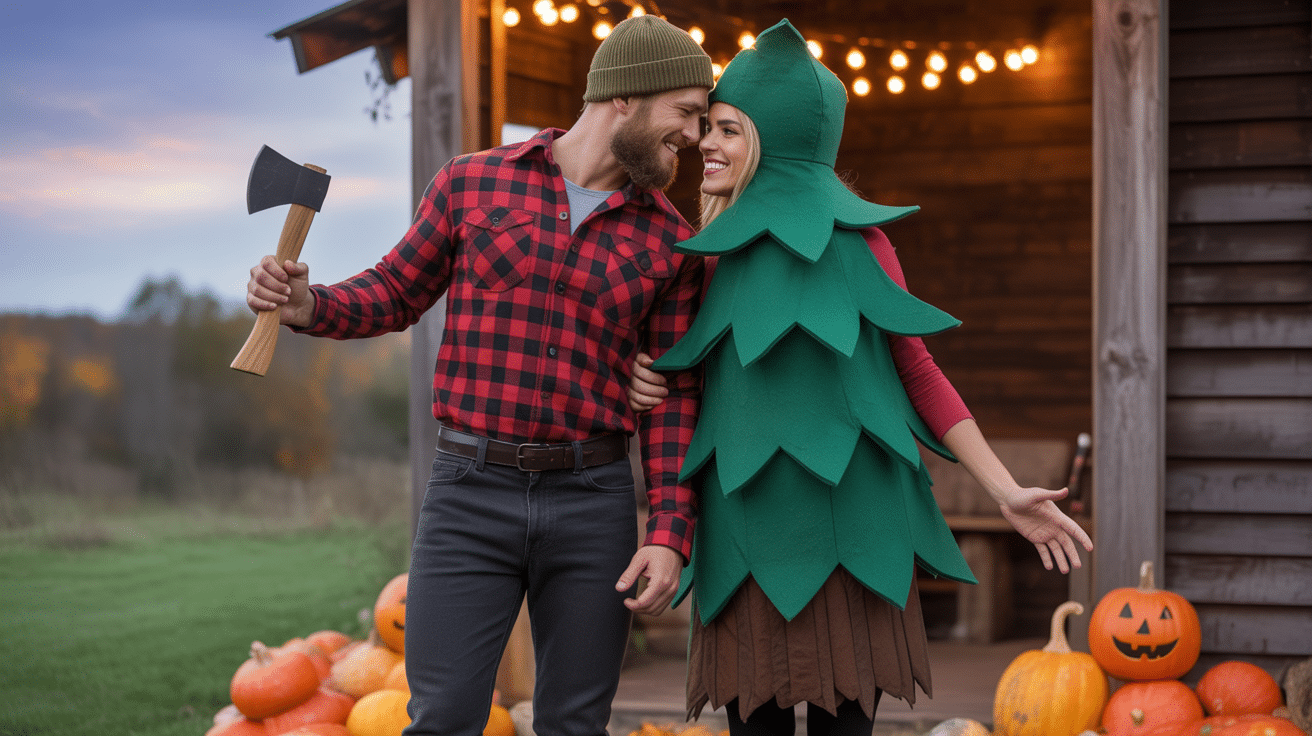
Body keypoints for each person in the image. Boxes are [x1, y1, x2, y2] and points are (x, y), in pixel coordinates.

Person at [244, 16, 714, 736]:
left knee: (576, 724)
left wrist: (670, 531)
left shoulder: (673, 242)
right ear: (627, 96)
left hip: (594, 504)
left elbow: (674, 396)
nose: (693, 135)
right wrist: (309, 303)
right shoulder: (472, 182)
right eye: (685, 113)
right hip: (470, 495)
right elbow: (394, 292)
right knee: (443, 720)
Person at [626, 20, 1093, 736]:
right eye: (707, 128)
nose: (704, 145)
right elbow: (671, 365)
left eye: (726, 129)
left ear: (773, 139)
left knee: (848, 721)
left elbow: (919, 370)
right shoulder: (705, 254)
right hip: (746, 531)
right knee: (754, 723)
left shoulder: (864, 246)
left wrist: (1005, 491)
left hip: (856, 529)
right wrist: (634, 372)